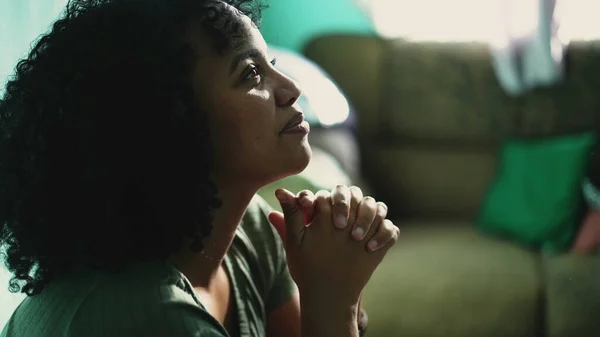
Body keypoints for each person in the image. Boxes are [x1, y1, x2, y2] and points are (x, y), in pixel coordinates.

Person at [0, 0, 400, 336]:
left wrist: (337, 275)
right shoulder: (148, 316)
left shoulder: (250, 228)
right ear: (169, 124)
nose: (292, 87)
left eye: (271, 63)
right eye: (251, 73)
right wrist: (337, 300)